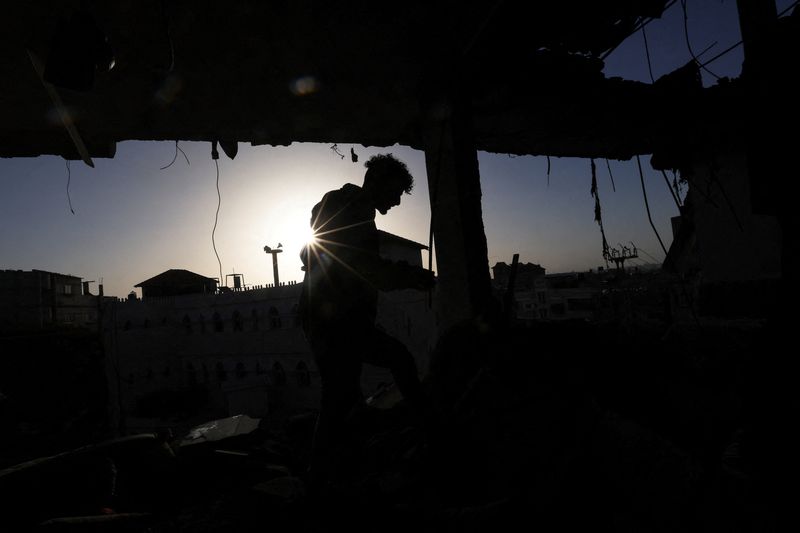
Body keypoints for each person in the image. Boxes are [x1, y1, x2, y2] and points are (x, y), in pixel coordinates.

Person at [298, 153, 435, 485]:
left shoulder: (339, 204)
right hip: (338, 319)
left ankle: (335, 473)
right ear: (378, 182)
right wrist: (412, 276)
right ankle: (430, 427)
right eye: (396, 191)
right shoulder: (355, 210)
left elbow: (317, 252)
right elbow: (364, 267)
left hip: (330, 316)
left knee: (343, 396)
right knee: (379, 371)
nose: (398, 200)